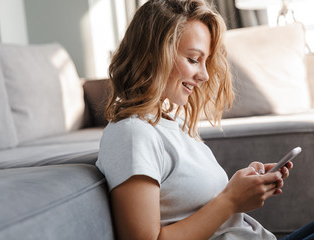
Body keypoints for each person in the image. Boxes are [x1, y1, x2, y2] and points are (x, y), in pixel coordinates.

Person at [95, 0, 314, 239]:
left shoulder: (172, 125)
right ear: (152, 56)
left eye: (205, 61)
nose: (204, 75)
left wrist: (239, 189)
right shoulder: (132, 134)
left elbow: (204, 208)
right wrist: (231, 200)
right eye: (192, 59)